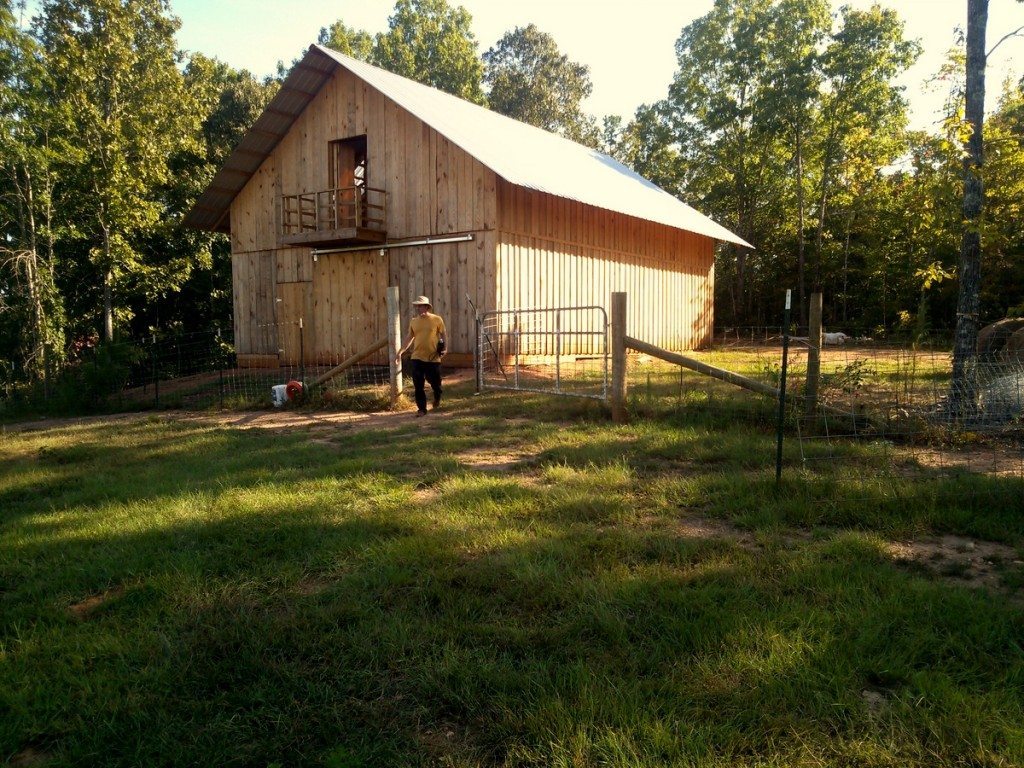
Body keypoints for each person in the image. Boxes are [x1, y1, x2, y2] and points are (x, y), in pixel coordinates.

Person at [396, 295, 446, 416]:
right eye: (417, 306)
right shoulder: (414, 321)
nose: (418, 308)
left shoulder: (437, 319)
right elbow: (409, 338)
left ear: (427, 307)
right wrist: (400, 352)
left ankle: (437, 396)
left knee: (435, 382)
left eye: (420, 306)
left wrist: (445, 348)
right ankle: (422, 409)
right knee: (418, 384)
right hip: (417, 357)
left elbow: (444, 334)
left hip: (433, 357)